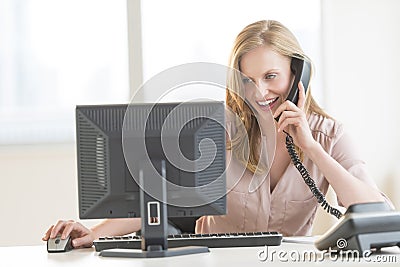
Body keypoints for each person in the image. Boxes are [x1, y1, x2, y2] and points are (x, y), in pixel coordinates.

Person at [42, 19, 392, 248]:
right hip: (211, 259)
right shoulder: (215, 126)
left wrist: (311, 149)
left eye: (271, 77)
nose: (259, 93)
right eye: (247, 80)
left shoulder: (328, 134)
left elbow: (374, 209)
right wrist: (94, 235)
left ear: (297, 72)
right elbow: (158, 195)